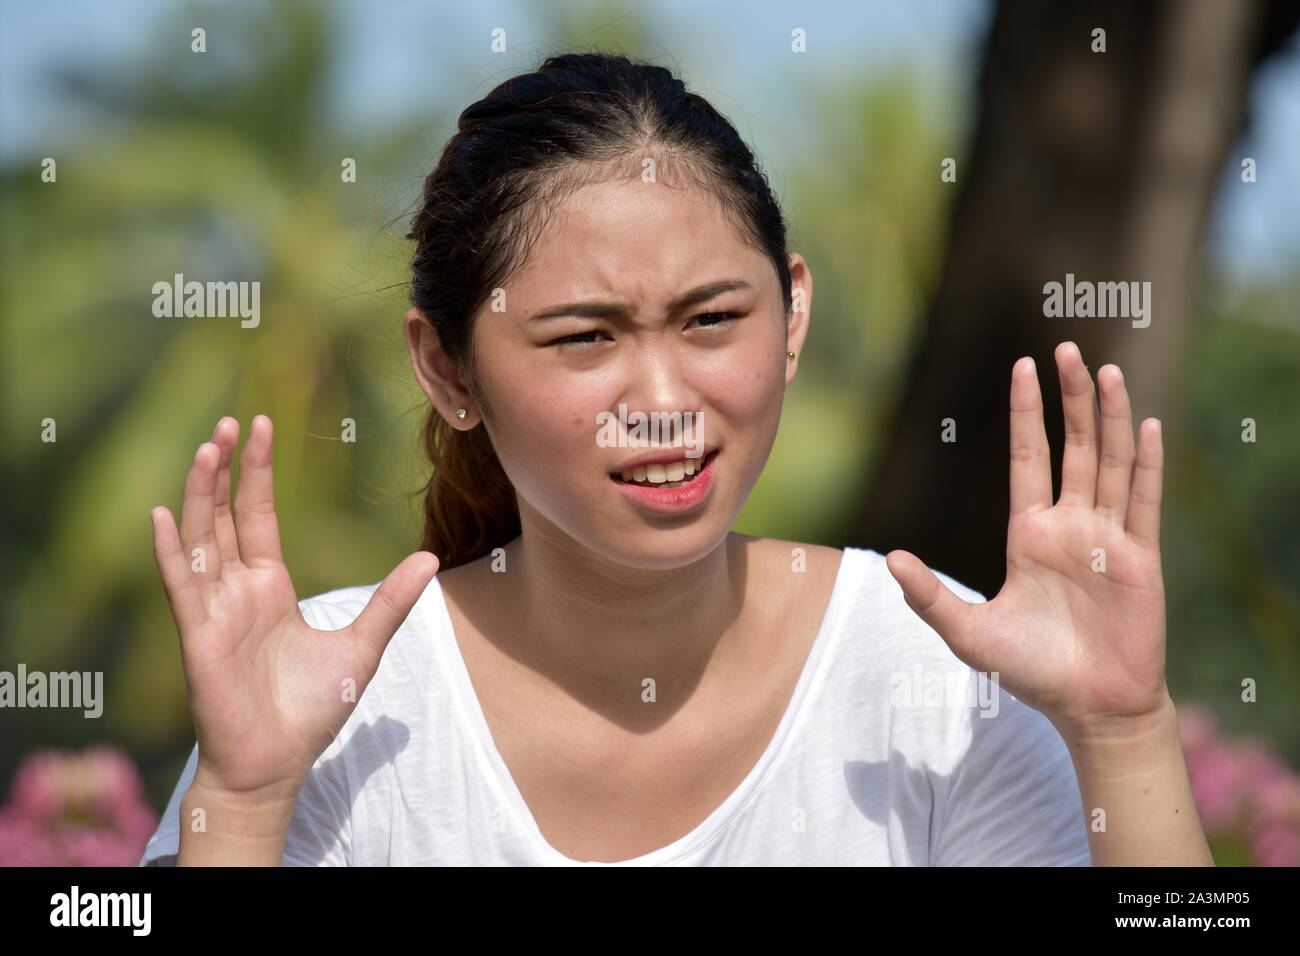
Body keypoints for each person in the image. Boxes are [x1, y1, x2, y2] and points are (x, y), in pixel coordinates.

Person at [139, 52, 1212, 866]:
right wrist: (242, 798)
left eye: (710, 319)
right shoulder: (323, 699)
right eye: (583, 338)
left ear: (792, 313)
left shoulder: (938, 681)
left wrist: (1123, 730)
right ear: (448, 368)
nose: (661, 403)